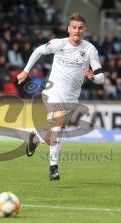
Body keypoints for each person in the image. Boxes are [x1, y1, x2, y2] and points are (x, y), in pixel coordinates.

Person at [17, 13, 104, 181]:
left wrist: (93, 77)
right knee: (61, 122)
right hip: (53, 92)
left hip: (71, 99)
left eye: (80, 28)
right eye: (74, 27)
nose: (77, 31)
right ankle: (53, 168)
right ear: (69, 29)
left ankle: (36, 137)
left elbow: (101, 78)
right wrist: (26, 71)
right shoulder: (59, 44)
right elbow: (38, 51)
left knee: (53, 136)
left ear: (84, 30)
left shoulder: (90, 50)